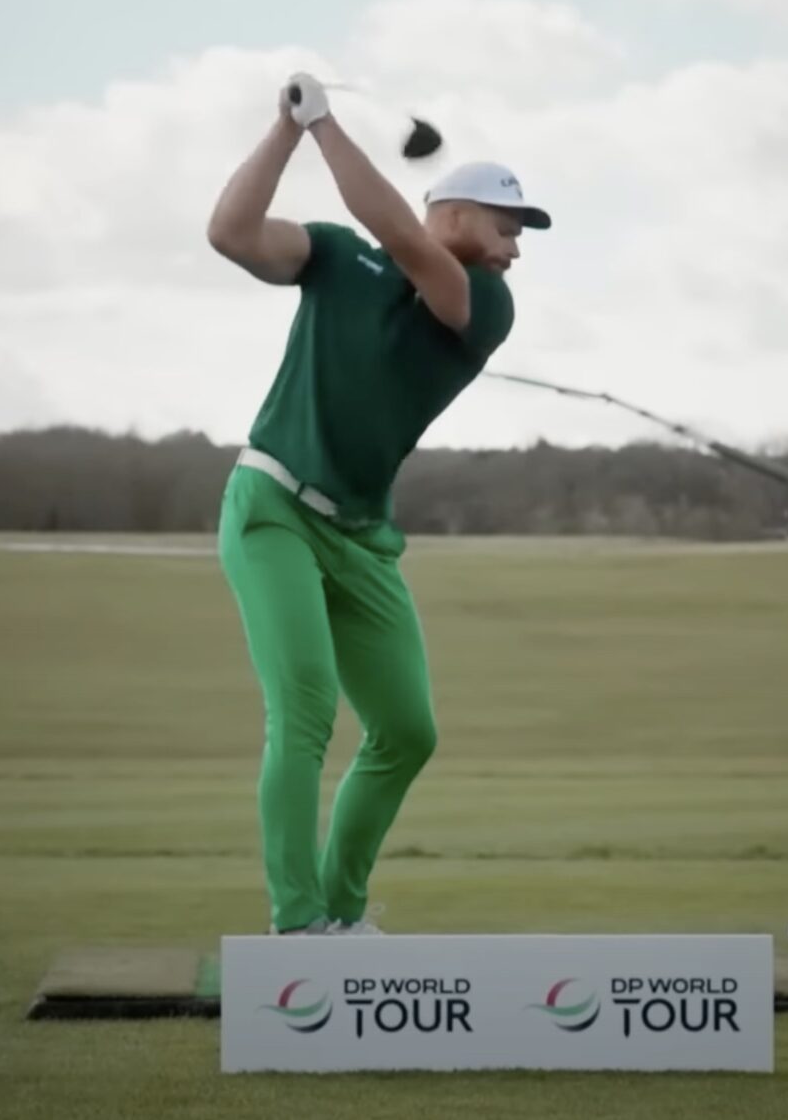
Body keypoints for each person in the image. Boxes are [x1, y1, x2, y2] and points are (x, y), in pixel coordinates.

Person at [202, 71, 548, 937]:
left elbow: (395, 231)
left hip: (360, 537)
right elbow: (230, 232)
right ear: (461, 214)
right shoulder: (332, 255)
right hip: (272, 504)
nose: (515, 250)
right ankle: (299, 920)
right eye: (508, 229)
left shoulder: (485, 304)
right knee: (307, 708)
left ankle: (346, 912)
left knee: (406, 729)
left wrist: (325, 124)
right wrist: (287, 130)